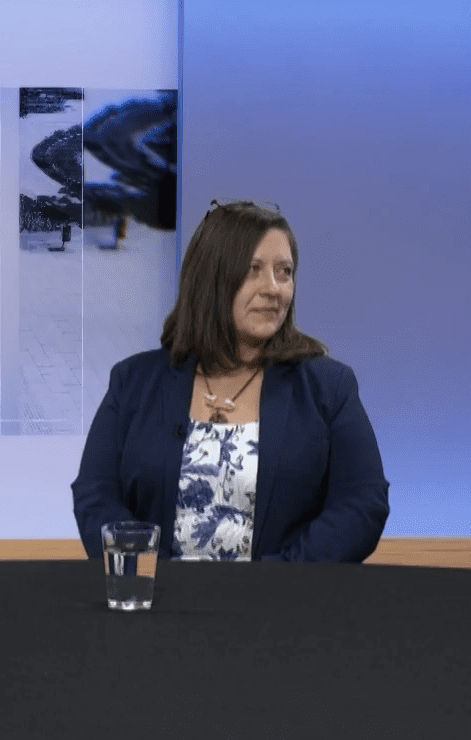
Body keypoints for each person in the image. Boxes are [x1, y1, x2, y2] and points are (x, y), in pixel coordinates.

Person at [71, 200, 389, 561]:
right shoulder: (133, 383)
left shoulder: (328, 388)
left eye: (284, 272)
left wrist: (280, 578)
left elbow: (362, 503)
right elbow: (95, 495)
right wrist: (147, 573)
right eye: (253, 270)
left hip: (283, 594)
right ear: (211, 278)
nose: (274, 289)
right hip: (157, 595)